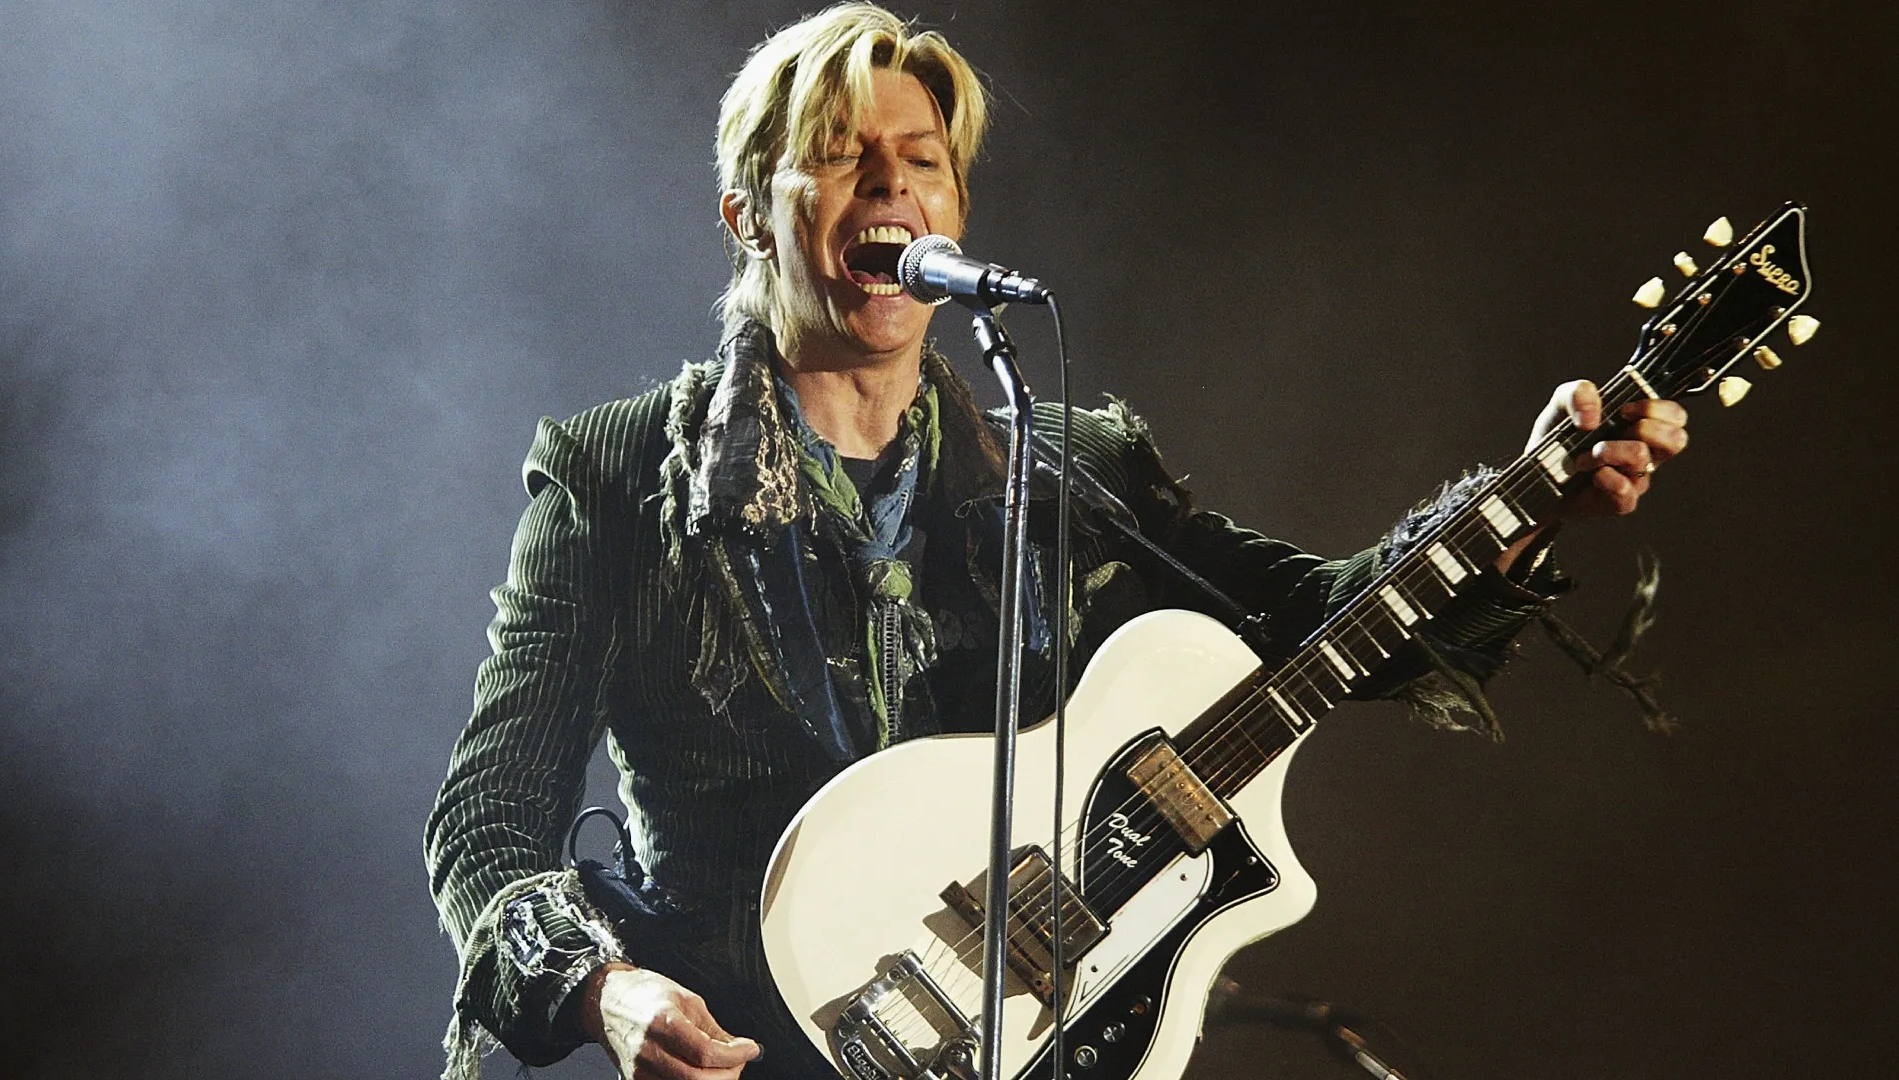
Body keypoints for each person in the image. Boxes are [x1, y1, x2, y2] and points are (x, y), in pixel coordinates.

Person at [424, 5, 1689, 1079]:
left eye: (922, 159)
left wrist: (1526, 505)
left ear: (957, 210)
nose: (890, 184)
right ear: (748, 215)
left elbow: (1327, 625)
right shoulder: (619, 480)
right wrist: (608, 993)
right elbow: (486, 819)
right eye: (841, 154)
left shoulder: (1067, 462)